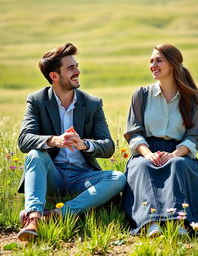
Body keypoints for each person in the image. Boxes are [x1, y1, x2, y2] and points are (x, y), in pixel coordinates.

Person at [17, 42, 126, 241]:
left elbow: (108, 146)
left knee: (118, 177)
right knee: (35, 154)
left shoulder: (92, 103)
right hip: (52, 175)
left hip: (82, 177)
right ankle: (33, 217)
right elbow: (24, 140)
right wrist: (53, 141)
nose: (78, 71)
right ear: (54, 76)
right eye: (71, 68)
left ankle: (59, 214)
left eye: (76, 66)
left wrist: (84, 144)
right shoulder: (37, 101)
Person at [122, 44, 198, 236]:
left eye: (158, 60)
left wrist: (175, 153)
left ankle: (180, 222)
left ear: (173, 65)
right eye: (151, 61)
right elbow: (134, 132)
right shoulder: (141, 95)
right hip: (146, 149)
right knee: (143, 167)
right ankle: (150, 223)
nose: (153, 65)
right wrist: (148, 154)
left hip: (179, 151)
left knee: (177, 165)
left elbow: (194, 136)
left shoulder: (193, 98)